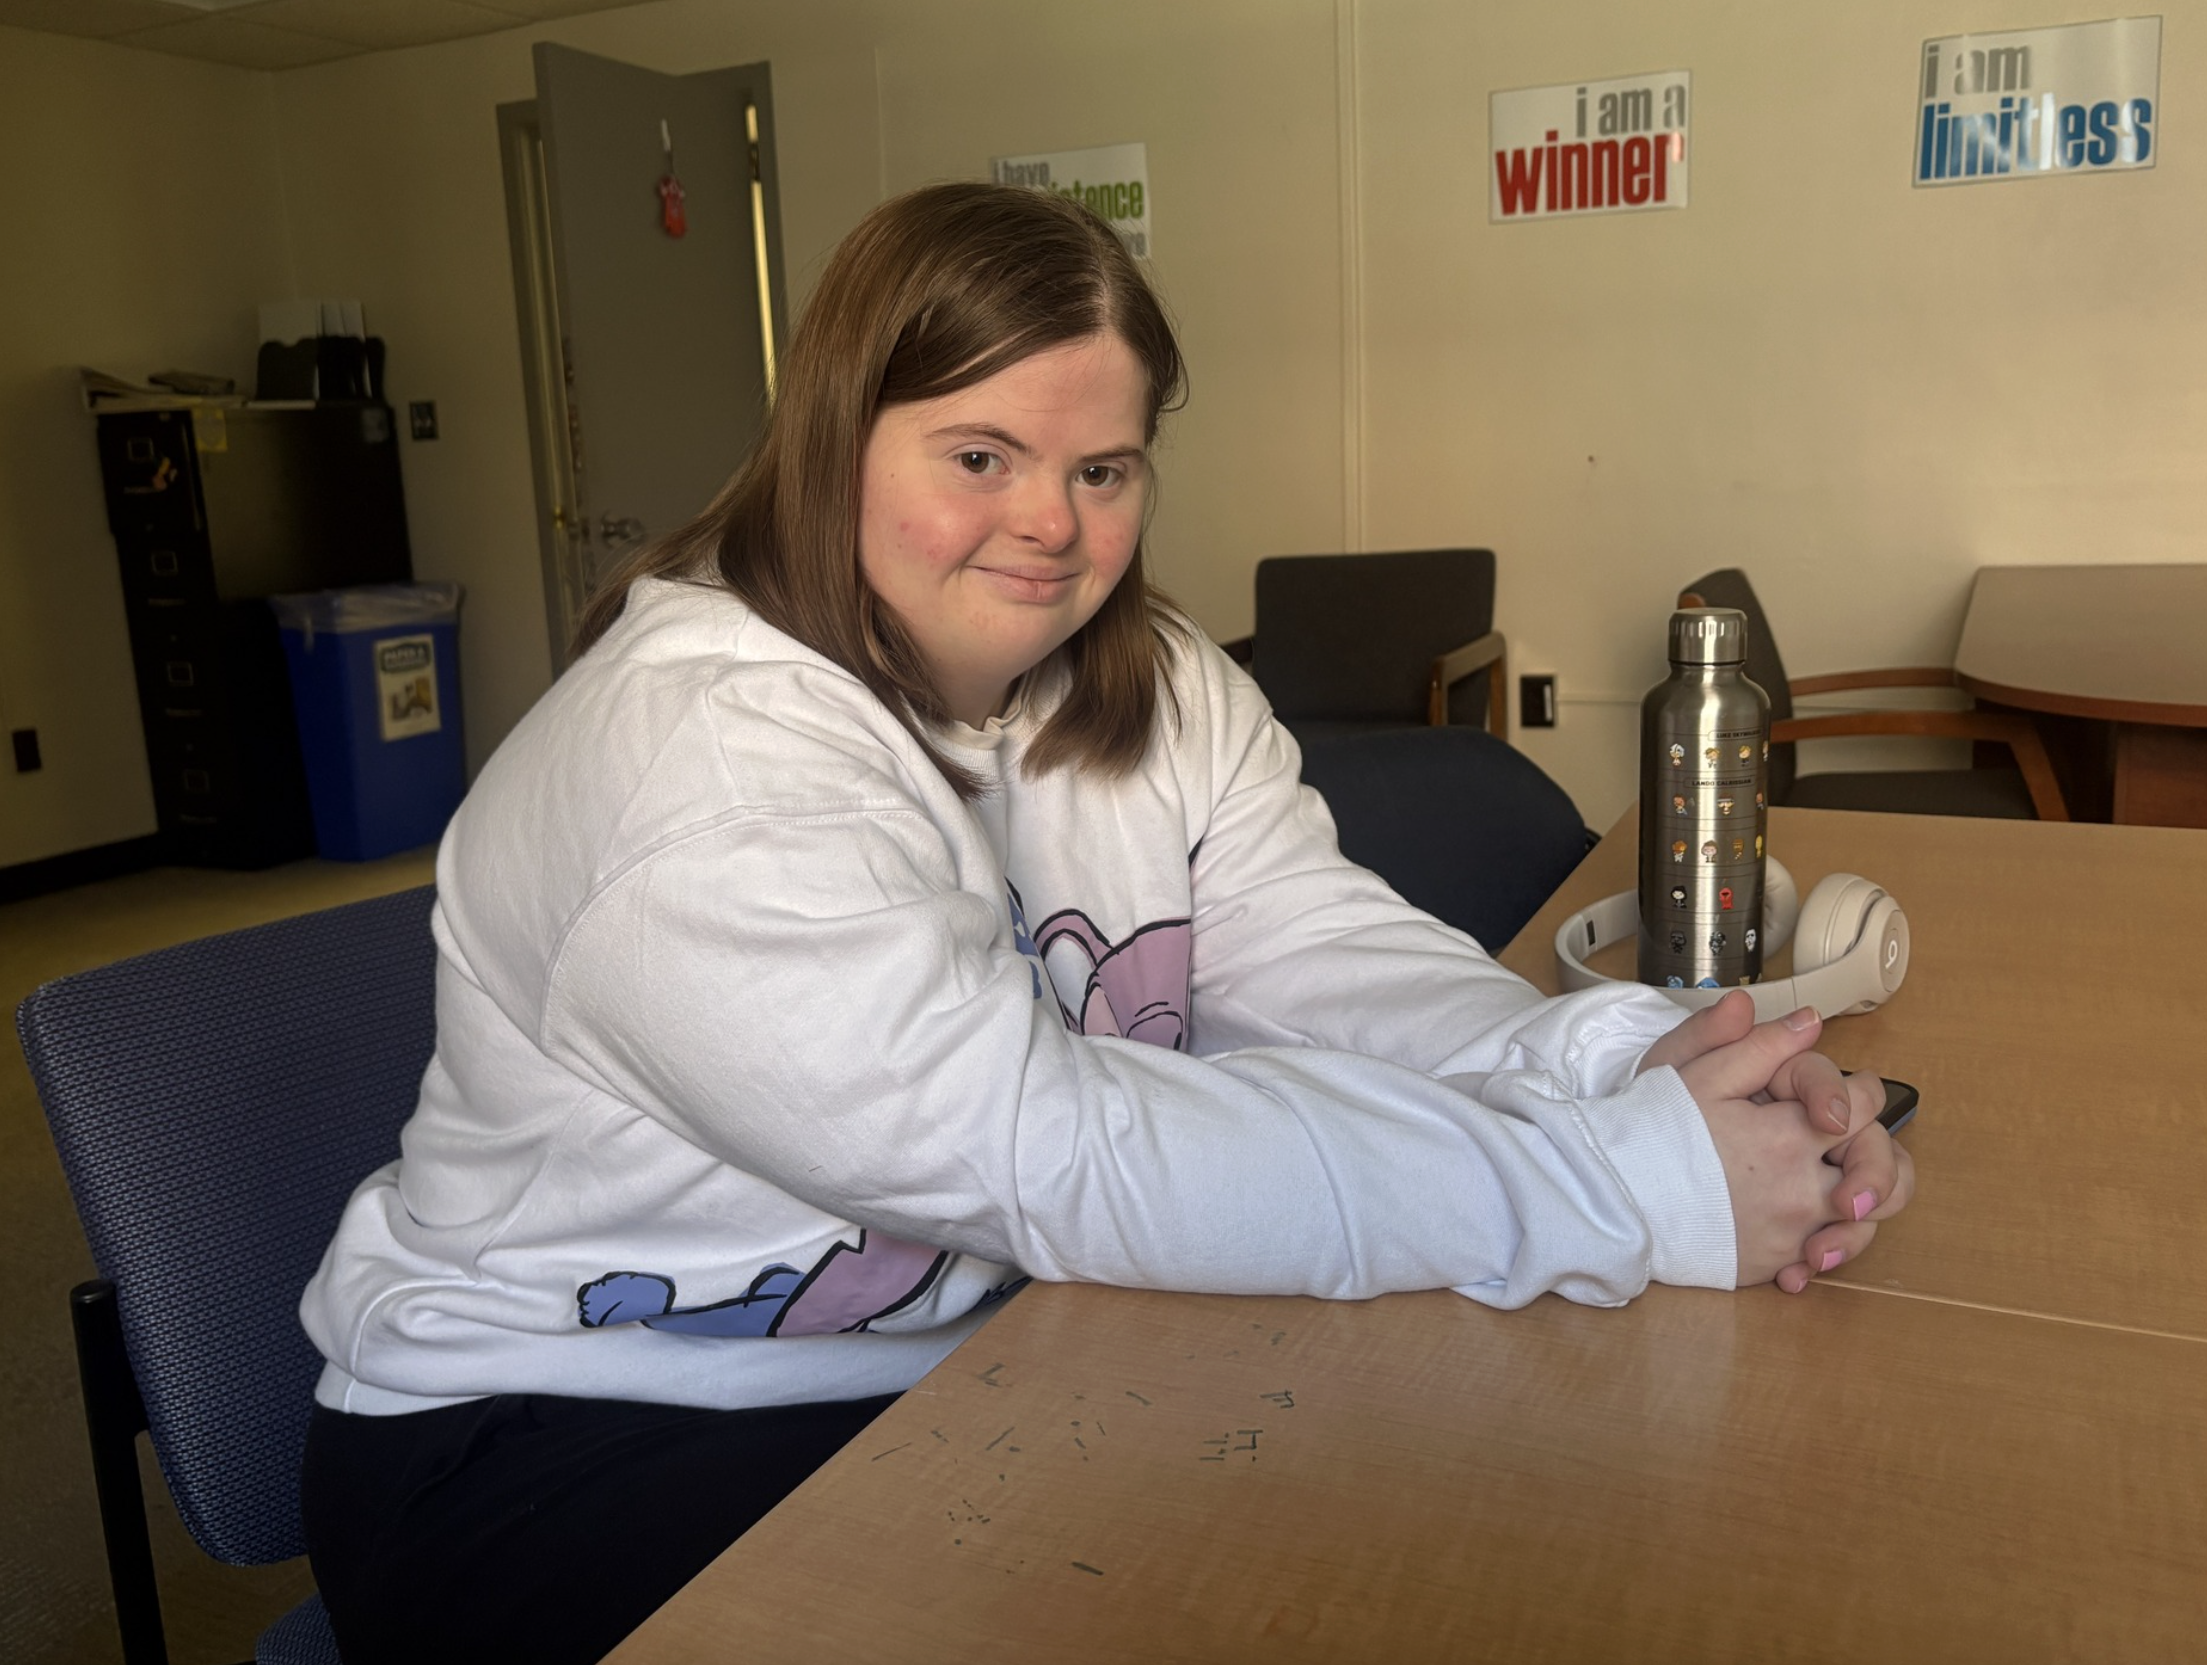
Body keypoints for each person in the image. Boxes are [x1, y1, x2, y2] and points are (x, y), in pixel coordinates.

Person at [298, 182, 1913, 1664]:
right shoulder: (700, 767)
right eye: (979, 456)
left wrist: (1633, 1064)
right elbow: (1045, 1150)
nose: (1051, 527)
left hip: (979, 1354)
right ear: (833, 437)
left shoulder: (1153, 680)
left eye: (1102, 470)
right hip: (561, 1435)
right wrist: (1619, 1189)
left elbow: (1316, 955)